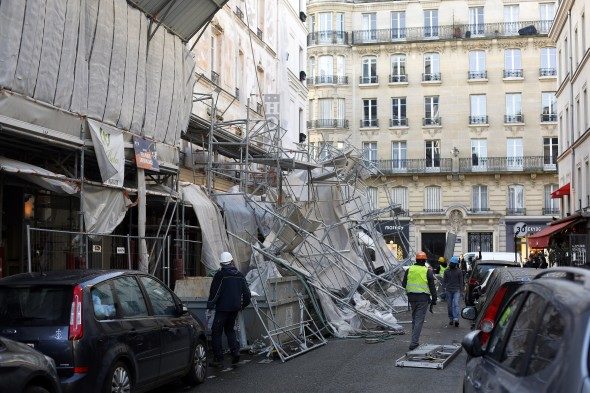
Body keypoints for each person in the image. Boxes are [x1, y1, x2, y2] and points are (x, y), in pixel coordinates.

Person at [207, 251, 252, 368]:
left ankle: (218, 358)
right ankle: (235, 352)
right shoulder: (240, 275)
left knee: (216, 332)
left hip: (222, 309)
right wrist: (243, 305)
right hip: (235, 309)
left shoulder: (220, 276)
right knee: (230, 330)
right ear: (232, 261)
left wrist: (210, 305)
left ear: (221, 263)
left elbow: (214, 293)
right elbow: (247, 293)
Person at [402, 251, 437, 351]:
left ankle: (414, 340)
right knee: (419, 320)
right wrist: (434, 299)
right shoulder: (427, 271)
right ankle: (414, 343)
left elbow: (404, 284)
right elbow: (432, 287)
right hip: (422, 299)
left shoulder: (409, 270)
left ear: (416, 260)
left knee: (415, 319)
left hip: (411, 298)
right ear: (425, 260)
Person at [443, 256, 464, 327]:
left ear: (456, 264)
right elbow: (444, 281)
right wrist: (443, 289)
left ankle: (456, 318)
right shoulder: (446, 271)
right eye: (451, 263)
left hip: (456, 290)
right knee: (449, 305)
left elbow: (461, 282)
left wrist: (461, 291)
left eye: (453, 263)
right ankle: (451, 318)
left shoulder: (459, 271)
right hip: (448, 290)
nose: (452, 264)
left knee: (456, 304)